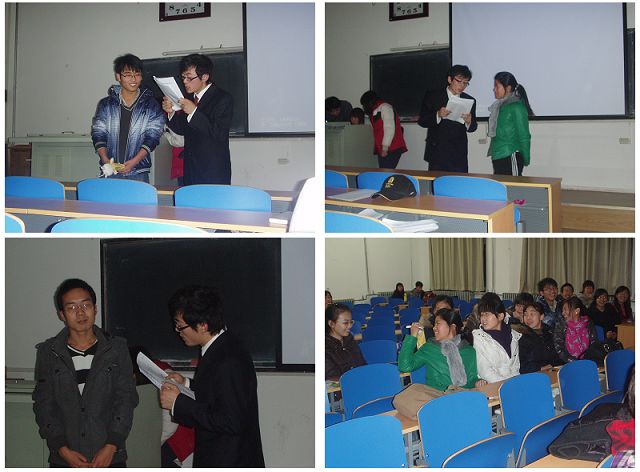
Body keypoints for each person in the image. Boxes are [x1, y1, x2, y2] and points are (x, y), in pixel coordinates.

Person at [33, 279, 139, 467]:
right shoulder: (48, 352)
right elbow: (44, 404)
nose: (80, 313)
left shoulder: (116, 349)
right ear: (62, 315)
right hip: (64, 458)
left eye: (85, 305)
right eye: (72, 308)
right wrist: (61, 448)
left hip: (110, 456)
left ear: (95, 308)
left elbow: (126, 398)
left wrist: (112, 445)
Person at [159, 285, 264, 467]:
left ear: (203, 325)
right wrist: (186, 383)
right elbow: (218, 393)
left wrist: (178, 403)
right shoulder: (221, 346)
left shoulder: (228, 360)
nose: (178, 331)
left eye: (181, 326)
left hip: (229, 460)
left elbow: (230, 420)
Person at [91, 54, 166, 181]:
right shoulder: (106, 104)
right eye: (128, 75)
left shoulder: (151, 105)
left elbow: (153, 137)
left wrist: (135, 161)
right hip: (110, 170)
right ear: (118, 76)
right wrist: (105, 159)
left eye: (137, 74)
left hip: (138, 171)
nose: (133, 79)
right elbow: (98, 133)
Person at [162, 54, 233, 185]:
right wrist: (171, 112)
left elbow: (218, 133)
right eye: (183, 77)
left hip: (213, 171)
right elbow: (182, 130)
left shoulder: (222, 98)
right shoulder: (189, 98)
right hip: (190, 169)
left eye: (189, 77)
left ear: (204, 77)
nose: (184, 81)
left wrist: (194, 112)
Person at [399, 309, 483, 390]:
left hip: (463, 394)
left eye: (438, 324)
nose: (434, 328)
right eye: (434, 324)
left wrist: (478, 382)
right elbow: (405, 367)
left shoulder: (468, 351)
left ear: (452, 327)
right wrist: (412, 337)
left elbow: (472, 379)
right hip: (437, 395)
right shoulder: (429, 348)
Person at [418, 64, 478, 172]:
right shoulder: (433, 96)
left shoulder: (469, 100)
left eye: (465, 83)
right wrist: (438, 115)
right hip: (438, 150)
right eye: (459, 81)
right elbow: (422, 120)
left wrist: (469, 121)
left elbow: (473, 128)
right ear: (450, 79)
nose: (462, 86)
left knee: (459, 181)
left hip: (458, 152)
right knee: (438, 180)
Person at [487, 71, 533, 176]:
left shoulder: (517, 107)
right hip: (498, 156)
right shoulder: (500, 106)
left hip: (510, 154)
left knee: (512, 186)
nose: (494, 89)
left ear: (507, 88)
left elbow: (524, 135)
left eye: (497, 86)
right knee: (501, 186)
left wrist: (525, 158)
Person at [472, 294, 521, 383]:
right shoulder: (477, 337)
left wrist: (515, 384)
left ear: (500, 316)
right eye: (482, 315)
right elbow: (485, 372)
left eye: (487, 314)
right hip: (492, 385)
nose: (483, 319)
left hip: (512, 384)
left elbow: (516, 367)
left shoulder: (513, 336)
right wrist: (507, 385)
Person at [360, 90, 408, 169]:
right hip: (384, 148)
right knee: (384, 171)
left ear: (370, 102)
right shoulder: (374, 111)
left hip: (392, 147)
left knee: (385, 172)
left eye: (364, 105)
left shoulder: (385, 107)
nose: (364, 107)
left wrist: (385, 148)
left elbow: (389, 128)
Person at [518, 302, 562, 374]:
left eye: (532, 314)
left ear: (541, 316)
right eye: (525, 314)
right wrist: (540, 368)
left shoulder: (550, 332)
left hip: (553, 371)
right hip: (534, 374)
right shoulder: (521, 336)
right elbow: (521, 365)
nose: (528, 318)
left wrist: (555, 366)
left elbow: (558, 355)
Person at [325, 303, 366, 378]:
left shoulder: (350, 339)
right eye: (345, 323)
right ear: (331, 324)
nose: (350, 326)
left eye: (351, 322)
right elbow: (332, 377)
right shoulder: (325, 347)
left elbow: (362, 364)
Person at [553, 296, 597, 363]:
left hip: (587, 361)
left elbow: (594, 344)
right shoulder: (561, 325)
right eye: (562, 310)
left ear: (577, 311)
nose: (563, 313)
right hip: (567, 363)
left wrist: (587, 360)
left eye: (565, 310)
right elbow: (559, 349)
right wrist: (574, 362)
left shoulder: (588, 323)